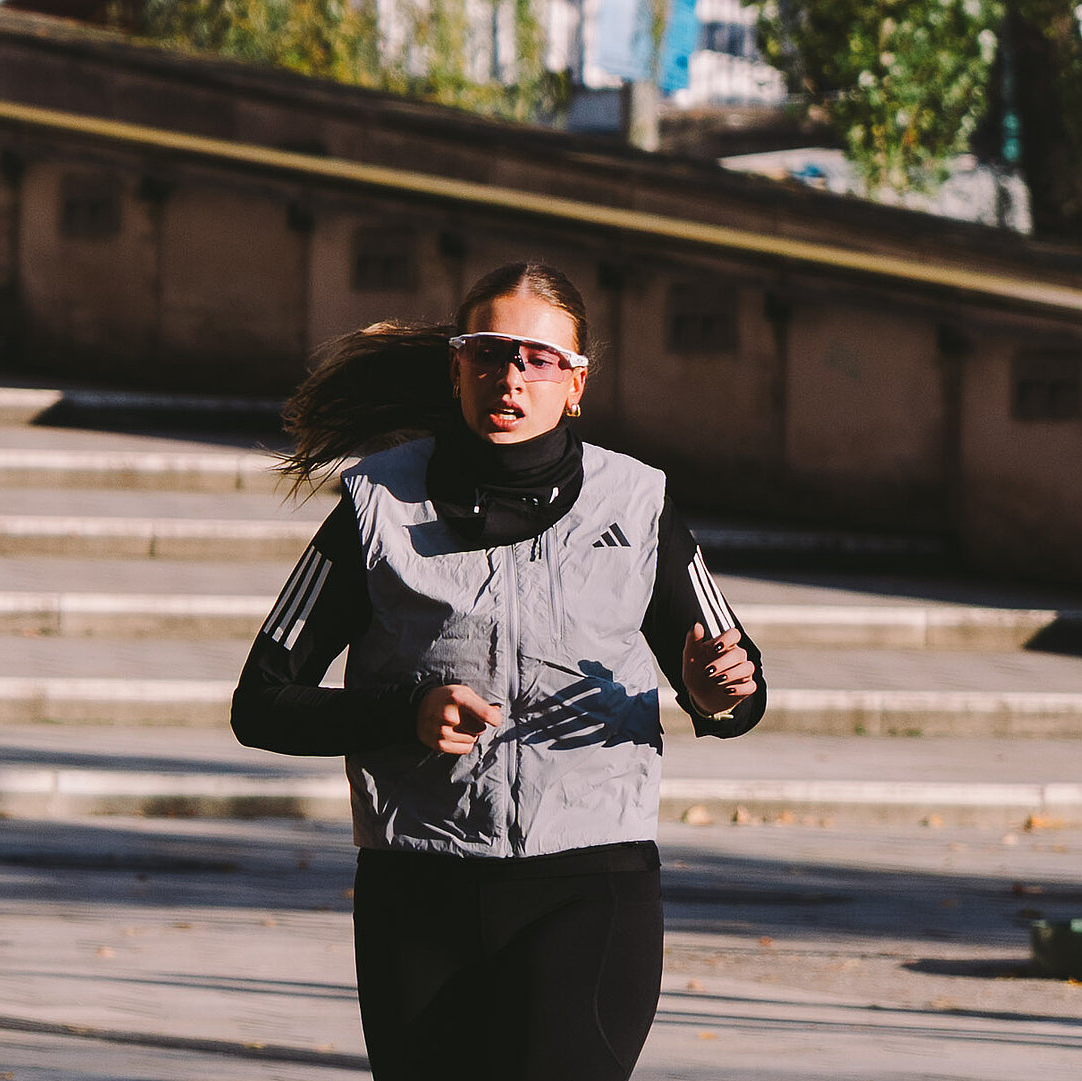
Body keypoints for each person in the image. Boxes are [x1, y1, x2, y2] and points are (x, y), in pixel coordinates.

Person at [231, 261, 766, 1081]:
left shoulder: (638, 504)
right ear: (456, 367)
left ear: (576, 384)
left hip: (591, 883)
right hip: (418, 892)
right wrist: (401, 715)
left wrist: (716, 693)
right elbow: (261, 702)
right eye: (487, 353)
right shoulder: (376, 503)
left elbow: (735, 683)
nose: (510, 376)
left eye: (537, 357)